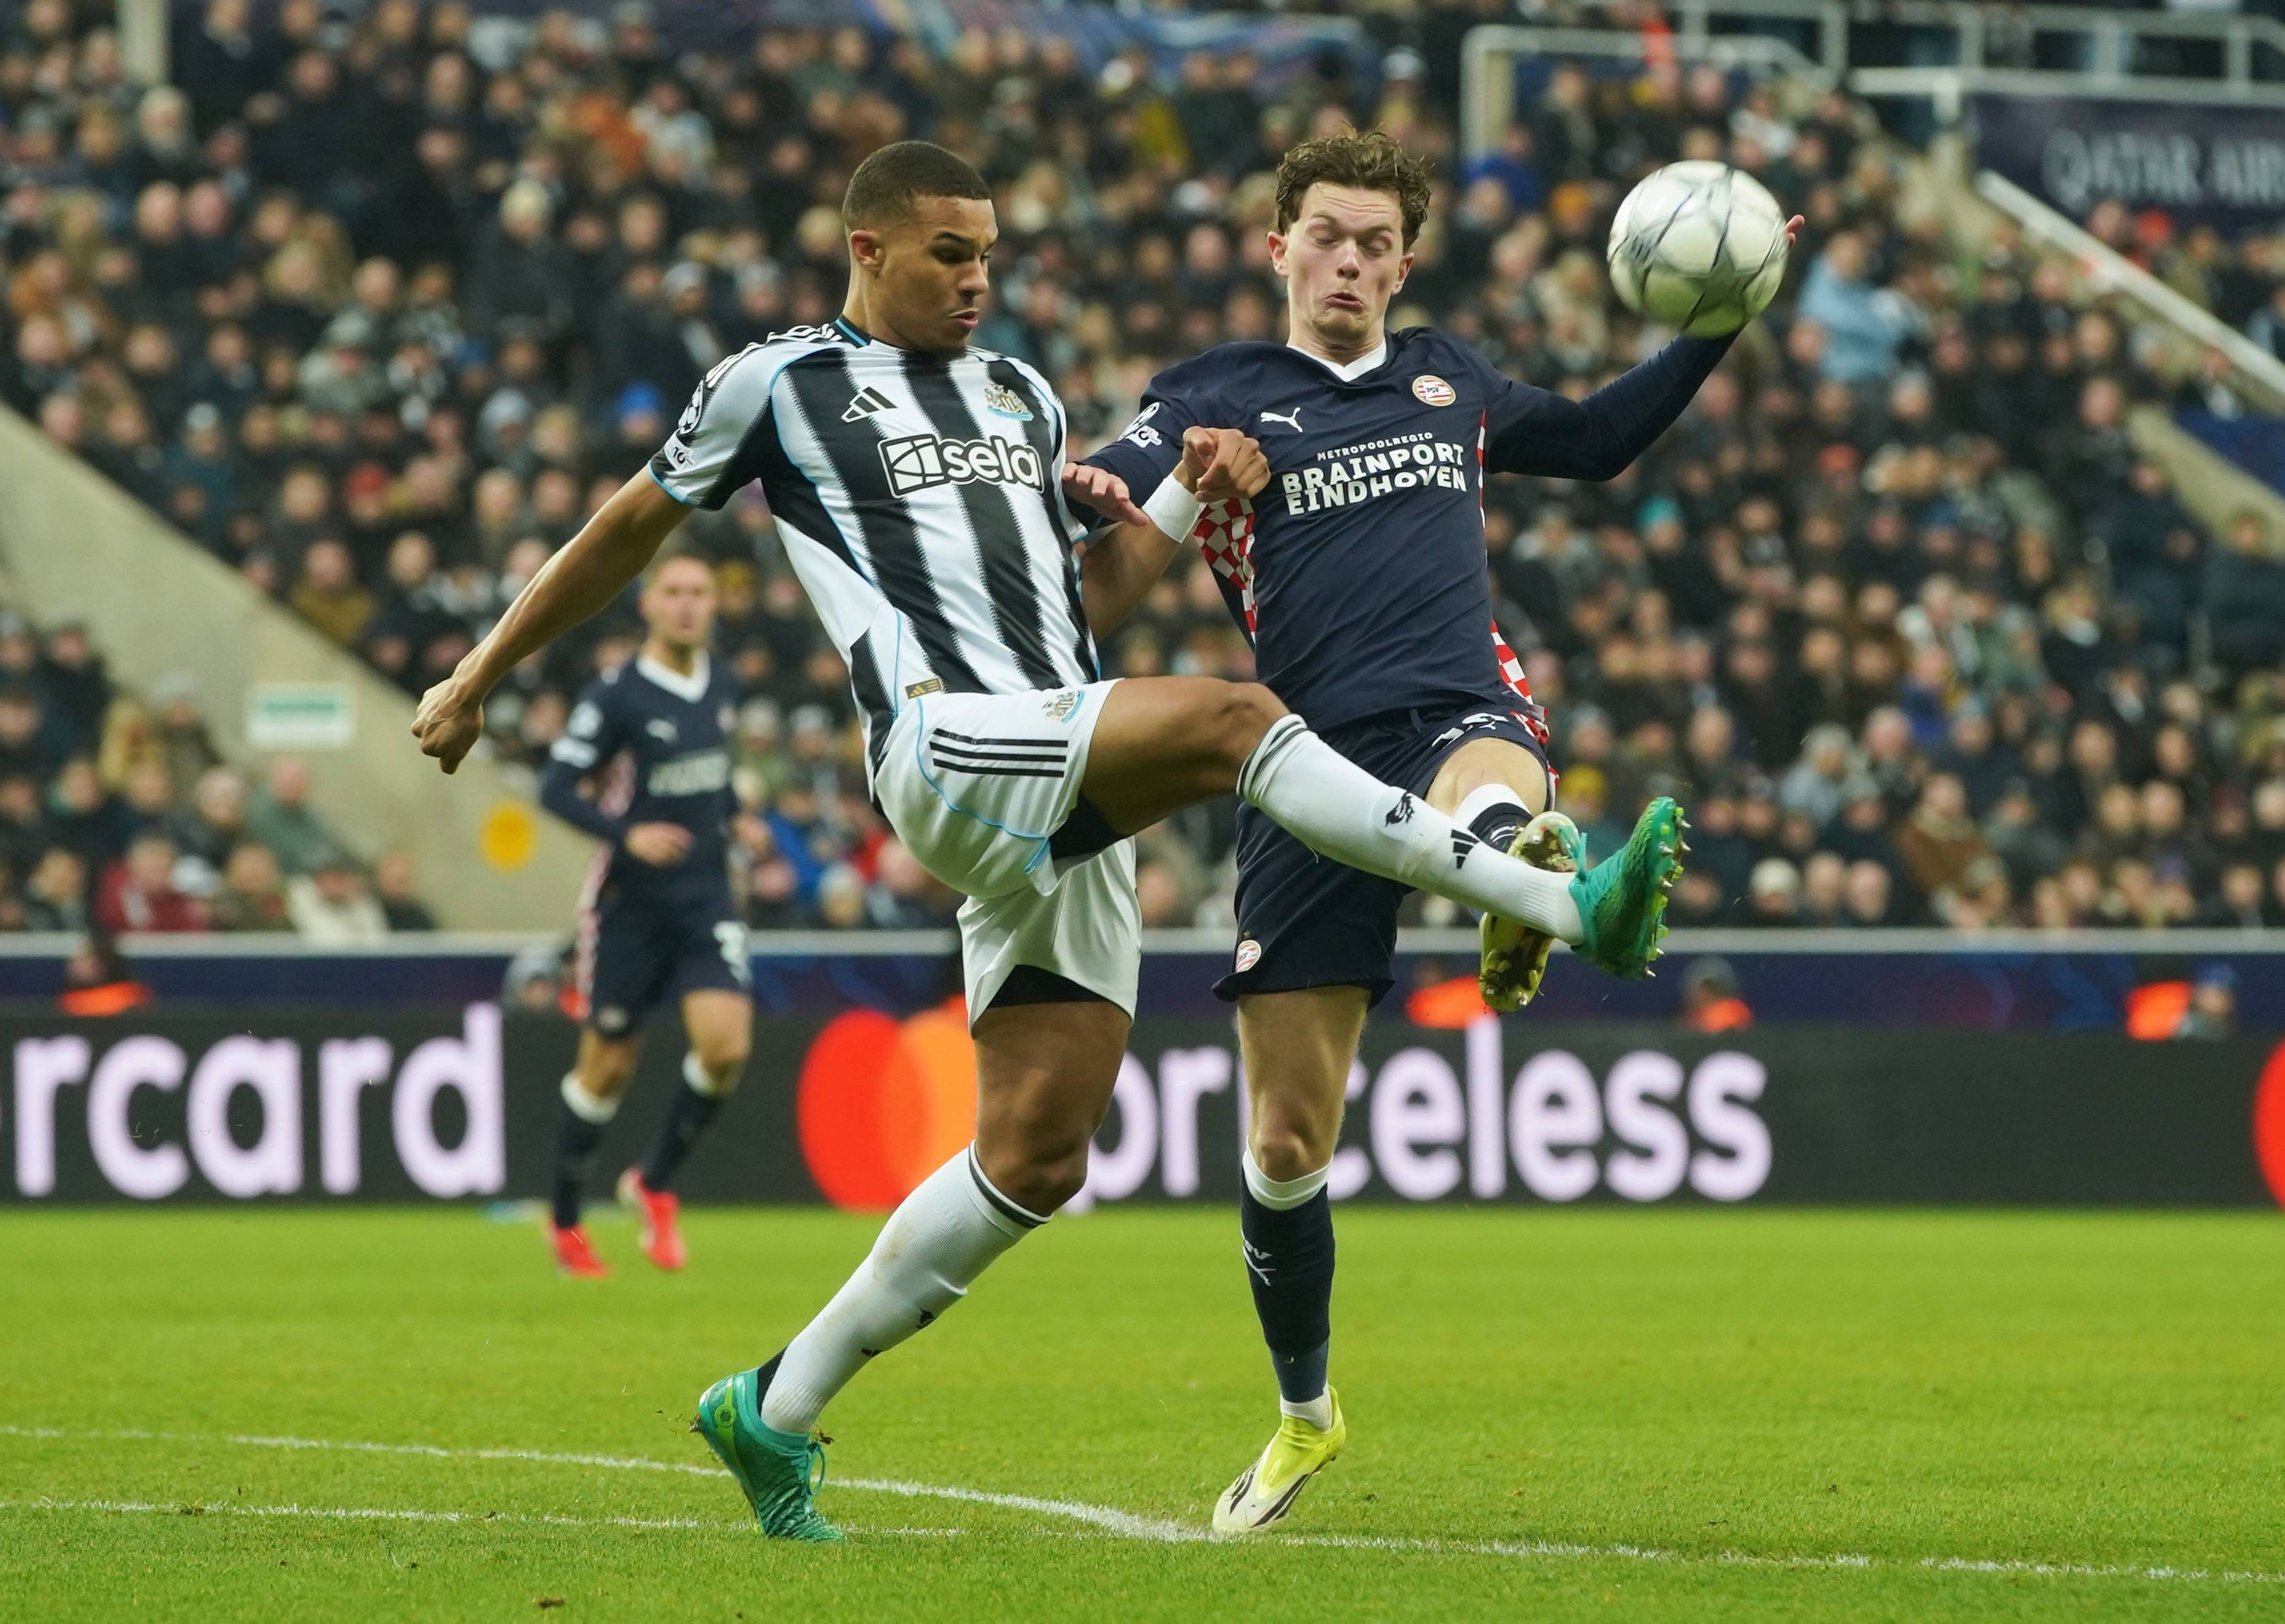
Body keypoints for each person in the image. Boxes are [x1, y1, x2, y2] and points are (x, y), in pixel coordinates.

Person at [411, 140, 1679, 1543]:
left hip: (1052, 745)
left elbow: (1089, 614)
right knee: (1230, 720)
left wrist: (1193, 490)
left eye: (991, 254)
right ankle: (1556, 902)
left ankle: (767, 1411)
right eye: (950, 254)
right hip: (943, 742)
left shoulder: (1019, 396)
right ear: (868, 247)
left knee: (1035, 1155)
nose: (978, 279)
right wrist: (481, 673)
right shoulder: (775, 384)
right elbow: (628, 526)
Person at [1079, 129, 1784, 1533]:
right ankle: (1303, 1417)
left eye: (1375, 243)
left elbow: (1591, 440)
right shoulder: (1211, 395)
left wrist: (1713, 325)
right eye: (1326, 236)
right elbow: (1104, 542)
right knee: (1284, 1142)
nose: (1349, 261)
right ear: (1276, 247)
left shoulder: (1445, 376)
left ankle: (1532, 871)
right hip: (1299, 759)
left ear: (1404, 261)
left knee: (1491, 765)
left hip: (1453, 697)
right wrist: (1128, 484)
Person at [532, 550, 751, 1278]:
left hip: (704, 896)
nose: (688, 604)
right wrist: (627, 833)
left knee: (724, 1047)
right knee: (606, 1067)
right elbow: (555, 787)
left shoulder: (722, 680)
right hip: (628, 904)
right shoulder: (617, 695)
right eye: (674, 593)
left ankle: (653, 1182)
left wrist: (736, 819)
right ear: (648, 605)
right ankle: (564, 1219)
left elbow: (710, 782)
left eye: (700, 592)